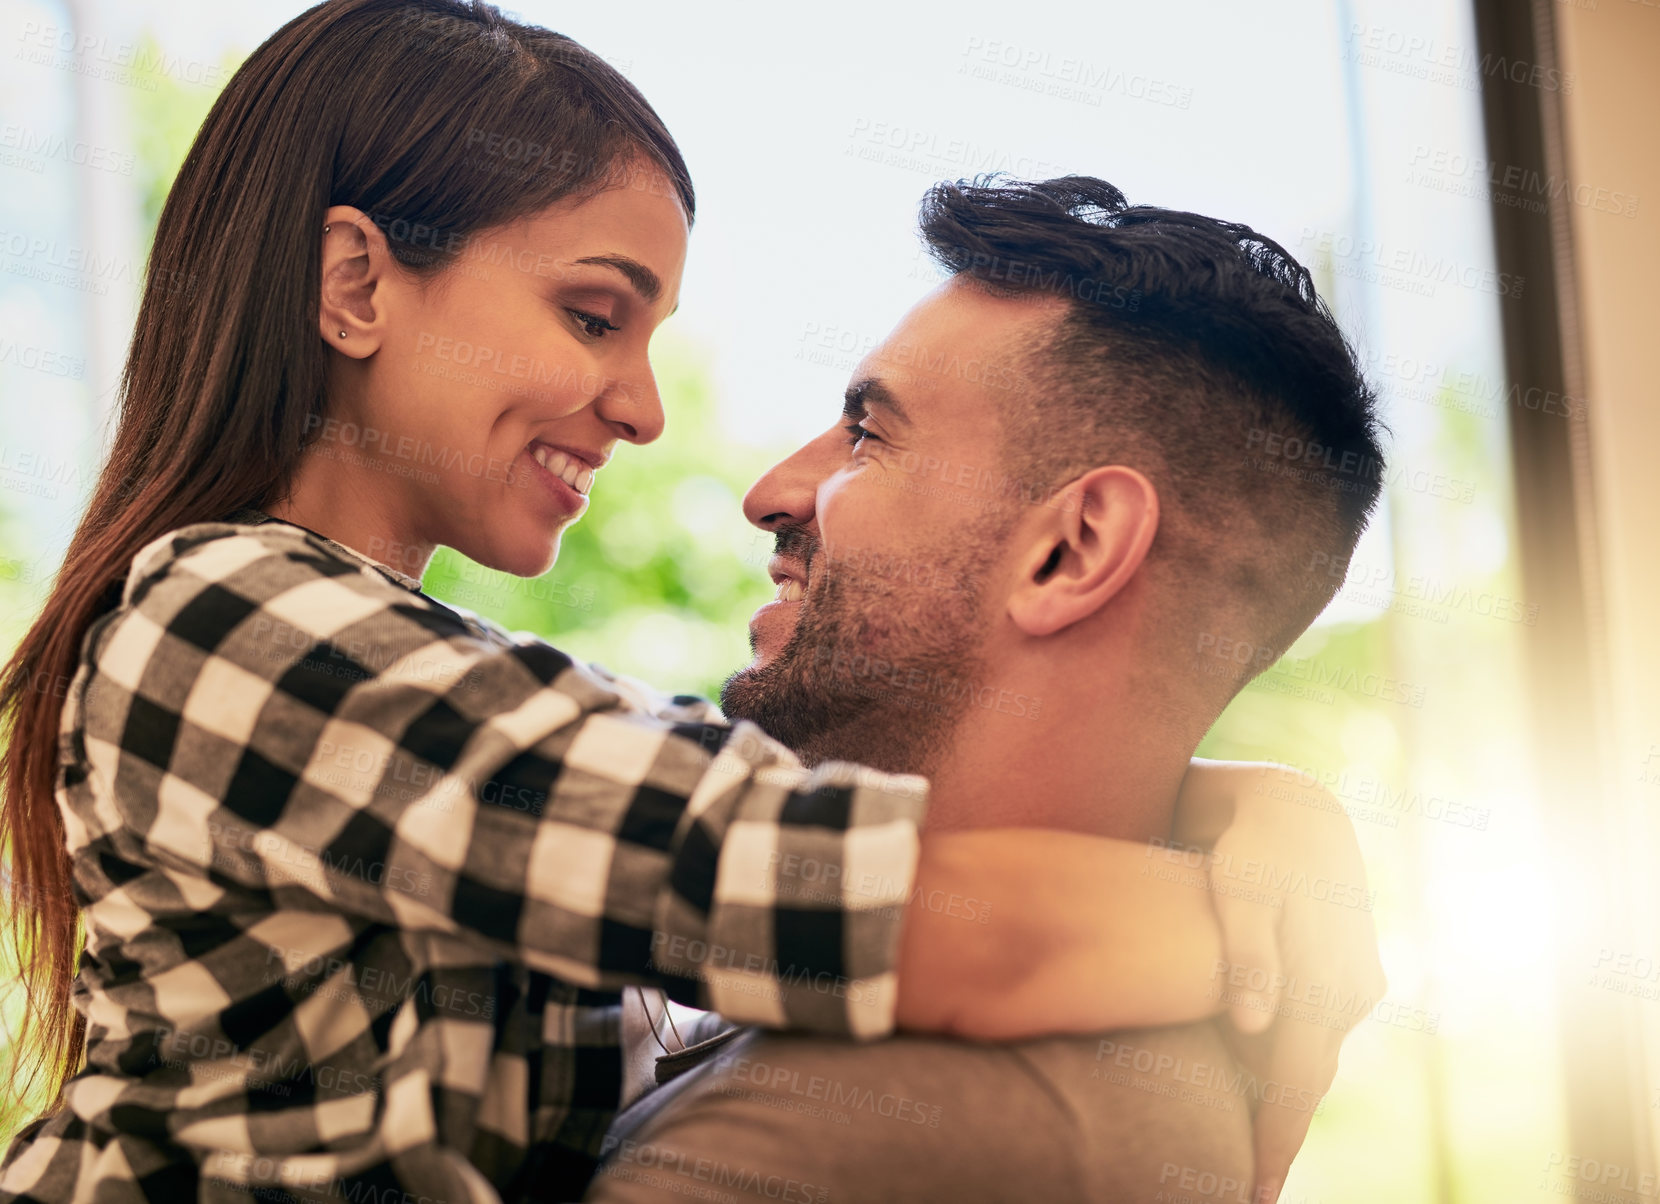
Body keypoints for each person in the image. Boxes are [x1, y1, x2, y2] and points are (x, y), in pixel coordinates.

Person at [0, 4, 1381, 1203]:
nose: (647, 412)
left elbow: (716, 871)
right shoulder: (226, 621)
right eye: (595, 316)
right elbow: (873, 910)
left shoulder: (441, 691)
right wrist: (1263, 933)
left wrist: (1253, 804)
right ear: (357, 284)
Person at [582, 176, 1388, 1204]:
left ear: (1071, 550)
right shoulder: (830, 975)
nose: (772, 491)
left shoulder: (907, 1118)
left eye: (868, 436)